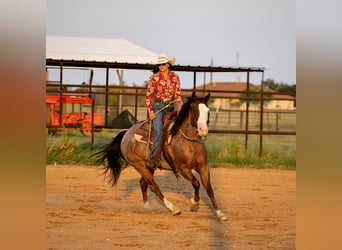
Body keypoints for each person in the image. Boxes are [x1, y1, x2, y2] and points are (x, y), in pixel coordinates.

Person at [145, 53, 183, 170]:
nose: (161, 66)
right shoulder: (153, 78)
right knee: (158, 130)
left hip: (172, 105)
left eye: (163, 64)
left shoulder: (175, 77)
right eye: (159, 64)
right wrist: (151, 111)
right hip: (158, 107)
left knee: (182, 125)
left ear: (168, 64)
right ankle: (153, 158)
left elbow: (177, 94)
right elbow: (148, 96)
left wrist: (179, 106)